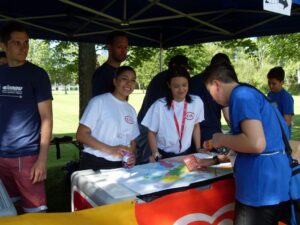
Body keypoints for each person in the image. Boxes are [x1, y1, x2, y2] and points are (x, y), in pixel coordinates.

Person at [197, 63, 291, 225]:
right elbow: (248, 141)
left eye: (210, 92)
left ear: (217, 84)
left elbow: (255, 143)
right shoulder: (251, 93)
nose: (212, 99)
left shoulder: (241, 96)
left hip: (259, 189)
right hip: (275, 184)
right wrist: (215, 160)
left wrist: (221, 138)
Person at [0, 22, 53, 213]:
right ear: (3, 46)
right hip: (1, 157)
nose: (24, 48)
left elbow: (46, 118)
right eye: (17, 43)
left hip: (27, 156)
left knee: (37, 213)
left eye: (26, 43)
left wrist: (42, 159)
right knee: (8, 209)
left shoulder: (37, 75)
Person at [77, 66, 140, 170]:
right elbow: (81, 135)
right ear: (115, 81)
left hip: (120, 166)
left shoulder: (131, 110)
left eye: (133, 80)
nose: (129, 83)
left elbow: (133, 141)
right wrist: (111, 150)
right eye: (124, 79)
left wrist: (132, 156)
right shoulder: (98, 102)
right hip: (95, 164)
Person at [136, 55, 192, 164]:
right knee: (150, 160)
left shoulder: (161, 77)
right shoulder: (165, 80)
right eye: (183, 68)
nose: (184, 72)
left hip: (148, 122)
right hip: (148, 125)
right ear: (174, 66)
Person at [141, 65, 204, 161]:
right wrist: (155, 152)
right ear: (169, 85)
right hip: (164, 154)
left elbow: (196, 125)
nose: (181, 89)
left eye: (184, 85)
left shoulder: (197, 102)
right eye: (176, 86)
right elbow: (151, 132)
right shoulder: (159, 105)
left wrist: (198, 148)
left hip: (186, 153)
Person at [189, 53, 234, 149]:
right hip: (212, 136)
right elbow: (228, 116)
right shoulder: (221, 82)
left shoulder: (191, 81)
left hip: (190, 136)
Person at [91, 31, 128, 97]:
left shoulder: (122, 72)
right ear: (109, 47)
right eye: (119, 47)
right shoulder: (101, 74)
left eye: (125, 47)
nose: (123, 51)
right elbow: (100, 103)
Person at [267, 66, 294, 138]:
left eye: (274, 83)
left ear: (282, 82)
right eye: (269, 83)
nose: (271, 86)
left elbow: (287, 122)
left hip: (282, 136)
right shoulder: (270, 94)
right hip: (271, 133)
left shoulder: (286, 98)